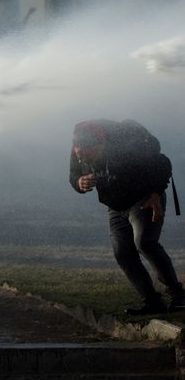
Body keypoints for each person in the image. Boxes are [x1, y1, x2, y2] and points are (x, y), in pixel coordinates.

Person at [70, 119, 185, 315]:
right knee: (123, 253)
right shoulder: (79, 149)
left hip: (143, 198)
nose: (83, 162)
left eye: (88, 157)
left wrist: (157, 194)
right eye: (79, 156)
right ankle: (153, 302)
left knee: (145, 243)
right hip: (115, 205)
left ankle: (179, 296)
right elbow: (73, 176)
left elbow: (163, 164)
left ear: (101, 145)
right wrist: (79, 182)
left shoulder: (128, 145)